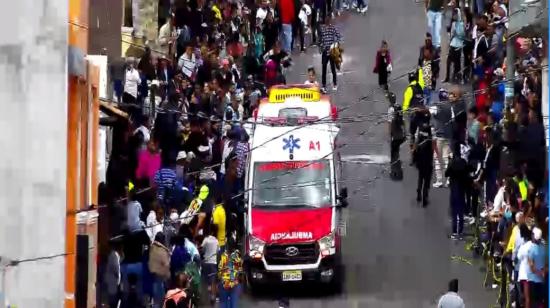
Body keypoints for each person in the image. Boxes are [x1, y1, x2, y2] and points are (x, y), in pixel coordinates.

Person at [445, 143, 470, 239]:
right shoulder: (463, 162)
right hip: (462, 189)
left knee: (454, 211)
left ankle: (454, 231)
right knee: (460, 211)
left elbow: (446, 174)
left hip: (454, 189)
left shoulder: (451, 162)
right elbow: (467, 172)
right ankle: (460, 231)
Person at [318, 15, 343, 93]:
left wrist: (335, 44)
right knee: (325, 69)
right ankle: (324, 85)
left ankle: (334, 84)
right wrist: (321, 46)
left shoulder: (331, 28)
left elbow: (339, 36)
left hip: (331, 52)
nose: (327, 22)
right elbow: (321, 39)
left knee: (332, 69)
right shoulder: (323, 29)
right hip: (326, 52)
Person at [218, 237, 243, 308]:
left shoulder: (222, 256)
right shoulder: (237, 256)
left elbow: (220, 270)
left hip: (224, 283)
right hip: (234, 283)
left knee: (223, 303)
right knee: (234, 303)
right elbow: (239, 272)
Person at [148, 232, 170, 308]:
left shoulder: (150, 248)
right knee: (159, 302)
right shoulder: (162, 250)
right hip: (159, 280)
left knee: (153, 302)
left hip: (149, 279)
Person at [413, 122, 433, 207]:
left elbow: (415, 150)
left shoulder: (419, 138)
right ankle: (425, 196)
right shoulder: (430, 140)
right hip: (428, 163)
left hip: (420, 162)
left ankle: (418, 193)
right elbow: (432, 151)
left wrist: (415, 160)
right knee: (427, 180)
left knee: (420, 178)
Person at [444, 8, 465, 84]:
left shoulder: (461, 24)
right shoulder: (453, 24)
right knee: (448, 61)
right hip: (452, 44)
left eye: (455, 15)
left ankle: (457, 77)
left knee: (457, 63)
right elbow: (451, 34)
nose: (453, 16)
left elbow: (462, 35)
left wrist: (457, 34)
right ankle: (447, 77)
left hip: (458, 46)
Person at [201, 225, 219, 304]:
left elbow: (202, 249)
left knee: (205, 280)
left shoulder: (206, 240)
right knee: (213, 281)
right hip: (213, 263)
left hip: (205, 262)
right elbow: (218, 251)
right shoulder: (216, 241)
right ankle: (212, 296)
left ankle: (206, 295)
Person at [105, 236, 124, 308]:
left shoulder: (116, 255)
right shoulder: (114, 255)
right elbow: (117, 268)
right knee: (113, 301)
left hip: (114, 282)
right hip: (113, 282)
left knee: (114, 301)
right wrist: (119, 279)